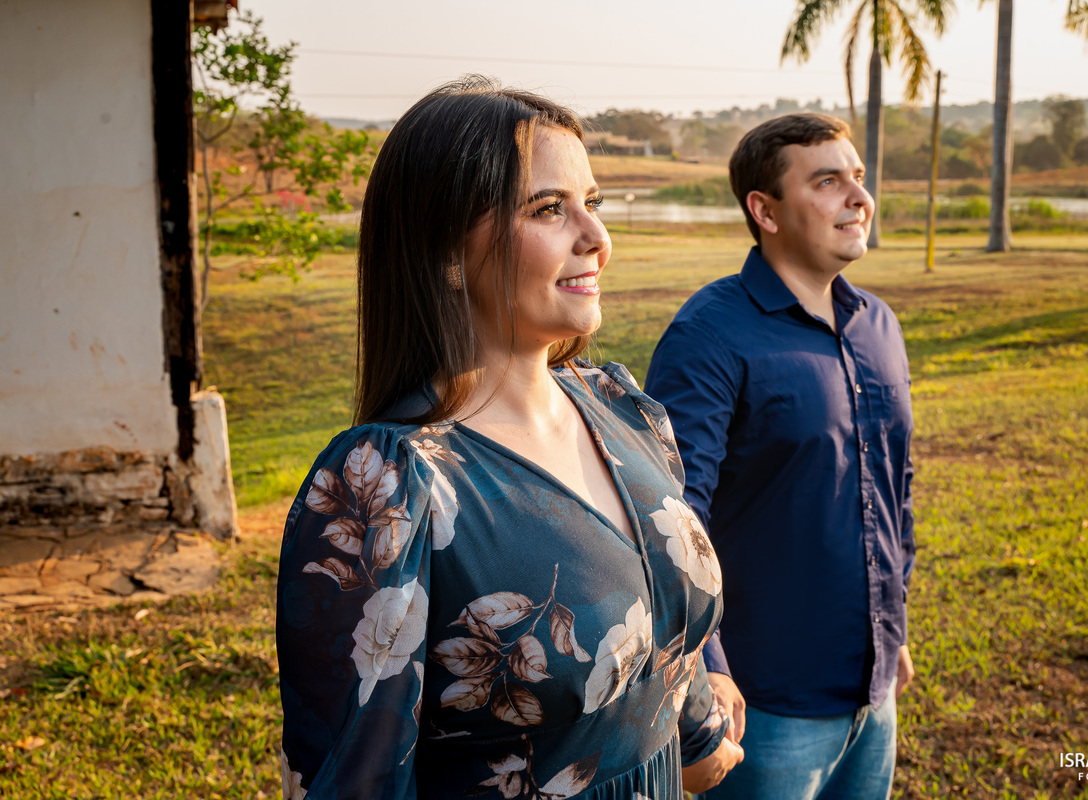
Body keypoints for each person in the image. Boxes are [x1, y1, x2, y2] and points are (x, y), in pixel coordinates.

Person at [275, 77, 743, 800]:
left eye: (595, 204)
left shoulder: (621, 406)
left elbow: (663, 622)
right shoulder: (389, 484)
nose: (598, 240)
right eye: (549, 209)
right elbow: (354, 781)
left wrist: (695, 734)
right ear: (446, 254)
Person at [643, 113, 916, 799]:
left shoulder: (879, 325)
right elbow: (670, 519)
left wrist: (893, 630)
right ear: (763, 210)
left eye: (857, 176)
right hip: (760, 704)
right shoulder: (707, 336)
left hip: (873, 693)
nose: (859, 196)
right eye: (828, 181)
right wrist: (706, 666)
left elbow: (894, 490)